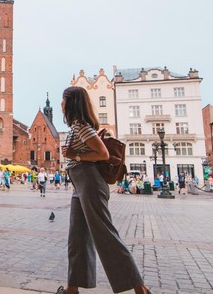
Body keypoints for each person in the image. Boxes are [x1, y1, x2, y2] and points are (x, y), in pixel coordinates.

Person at [57, 86, 150, 294]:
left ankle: (140, 289)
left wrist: (75, 155)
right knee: (77, 238)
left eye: (63, 100)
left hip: (89, 182)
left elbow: (103, 153)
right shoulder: (75, 127)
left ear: (71, 103)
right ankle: (72, 289)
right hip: (79, 184)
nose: (60, 104)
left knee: (105, 235)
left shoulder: (82, 127)